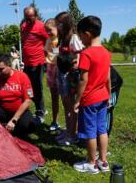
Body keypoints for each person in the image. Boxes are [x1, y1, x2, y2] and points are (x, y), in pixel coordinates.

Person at [73, 16, 111, 174]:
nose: (80, 39)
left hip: (89, 99)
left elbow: (83, 79)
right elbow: (108, 77)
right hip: (103, 97)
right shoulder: (106, 52)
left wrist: (77, 100)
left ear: (87, 34)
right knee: (102, 130)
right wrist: (108, 95)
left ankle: (91, 163)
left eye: (80, 35)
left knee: (89, 131)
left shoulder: (86, 54)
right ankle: (103, 161)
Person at [0, 54, 35, 137]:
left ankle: (12, 131)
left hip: (20, 112)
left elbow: (28, 101)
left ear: (10, 66)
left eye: (1, 69)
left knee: (27, 126)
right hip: (2, 110)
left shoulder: (22, 77)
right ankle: (2, 129)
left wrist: (14, 120)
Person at [54, 12, 84, 146]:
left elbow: (80, 58)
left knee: (72, 107)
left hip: (71, 76)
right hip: (62, 74)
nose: (57, 27)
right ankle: (68, 131)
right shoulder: (63, 39)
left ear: (66, 24)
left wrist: (72, 70)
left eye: (59, 24)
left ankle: (73, 135)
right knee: (66, 105)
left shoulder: (74, 38)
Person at [21, 6, 49, 124]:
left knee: (37, 88)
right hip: (27, 63)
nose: (28, 20)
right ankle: (35, 108)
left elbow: (51, 40)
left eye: (30, 17)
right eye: (26, 17)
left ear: (35, 15)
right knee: (27, 88)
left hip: (38, 62)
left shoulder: (41, 26)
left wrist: (48, 56)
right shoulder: (23, 26)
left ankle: (41, 112)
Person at [44, 18, 60, 131]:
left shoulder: (62, 39)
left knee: (66, 98)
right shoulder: (48, 39)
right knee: (54, 97)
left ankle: (72, 125)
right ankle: (55, 121)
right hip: (50, 69)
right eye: (47, 31)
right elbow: (46, 51)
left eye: (50, 30)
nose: (48, 33)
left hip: (60, 69)